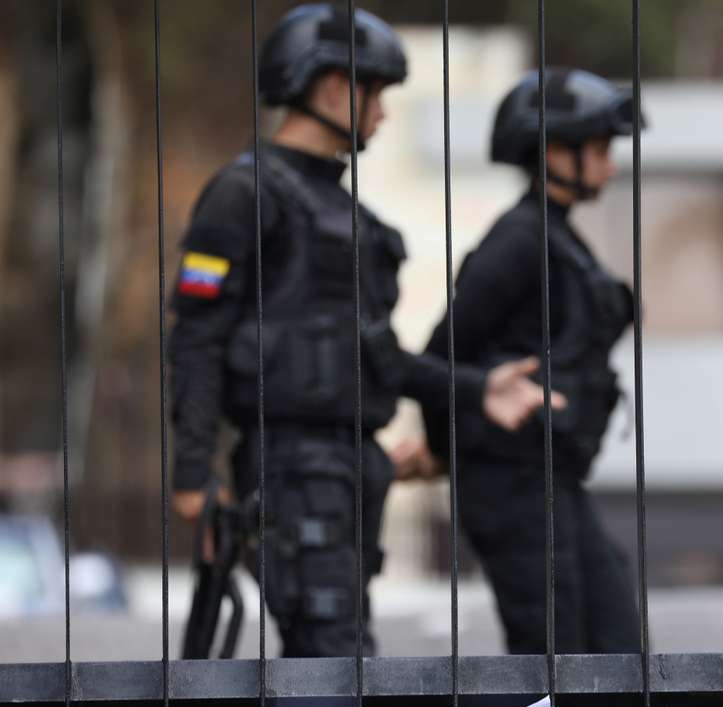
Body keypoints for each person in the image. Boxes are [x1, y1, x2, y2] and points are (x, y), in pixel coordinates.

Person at [168, 3, 559, 662]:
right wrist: (192, 476)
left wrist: (476, 389)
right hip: (290, 467)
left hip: (353, 465)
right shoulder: (244, 194)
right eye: (373, 91)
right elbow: (197, 336)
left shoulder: (351, 218)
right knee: (331, 656)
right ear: (329, 87)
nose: (381, 110)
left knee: (343, 656)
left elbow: (377, 357)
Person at [415, 67, 643, 654]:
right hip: (509, 480)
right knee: (554, 653)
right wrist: (448, 449)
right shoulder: (520, 239)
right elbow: (443, 351)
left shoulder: (558, 236)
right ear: (552, 152)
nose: (611, 164)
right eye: (598, 149)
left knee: (614, 638)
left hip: (550, 475)